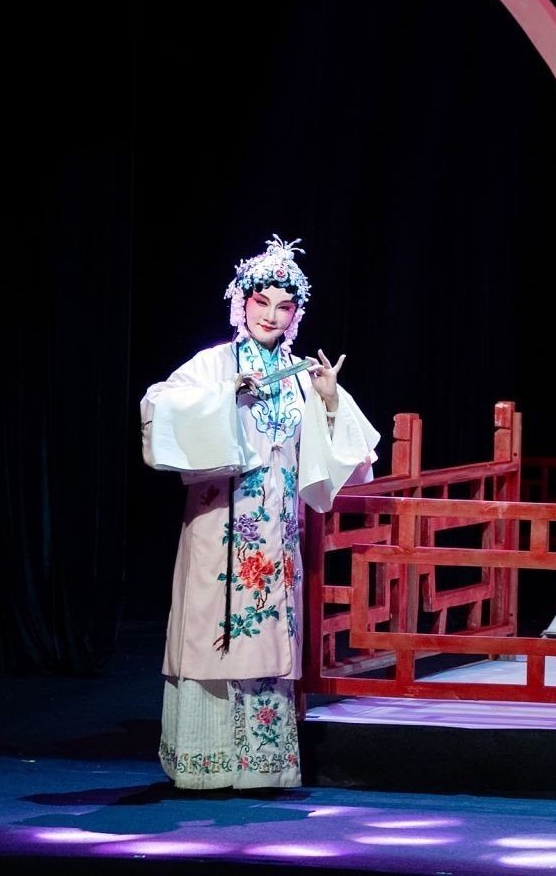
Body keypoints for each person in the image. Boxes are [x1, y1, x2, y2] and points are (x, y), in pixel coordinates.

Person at [141, 236, 380, 788]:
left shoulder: (300, 374)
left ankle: (262, 765)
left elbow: (351, 459)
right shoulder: (213, 364)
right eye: (261, 302)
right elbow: (159, 406)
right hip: (219, 523)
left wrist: (329, 400)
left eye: (284, 306)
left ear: (297, 315)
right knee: (213, 629)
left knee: (269, 636)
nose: (271, 315)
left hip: (277, 529)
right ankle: (206, 764)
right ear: (241, 303)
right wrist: (225, 394)